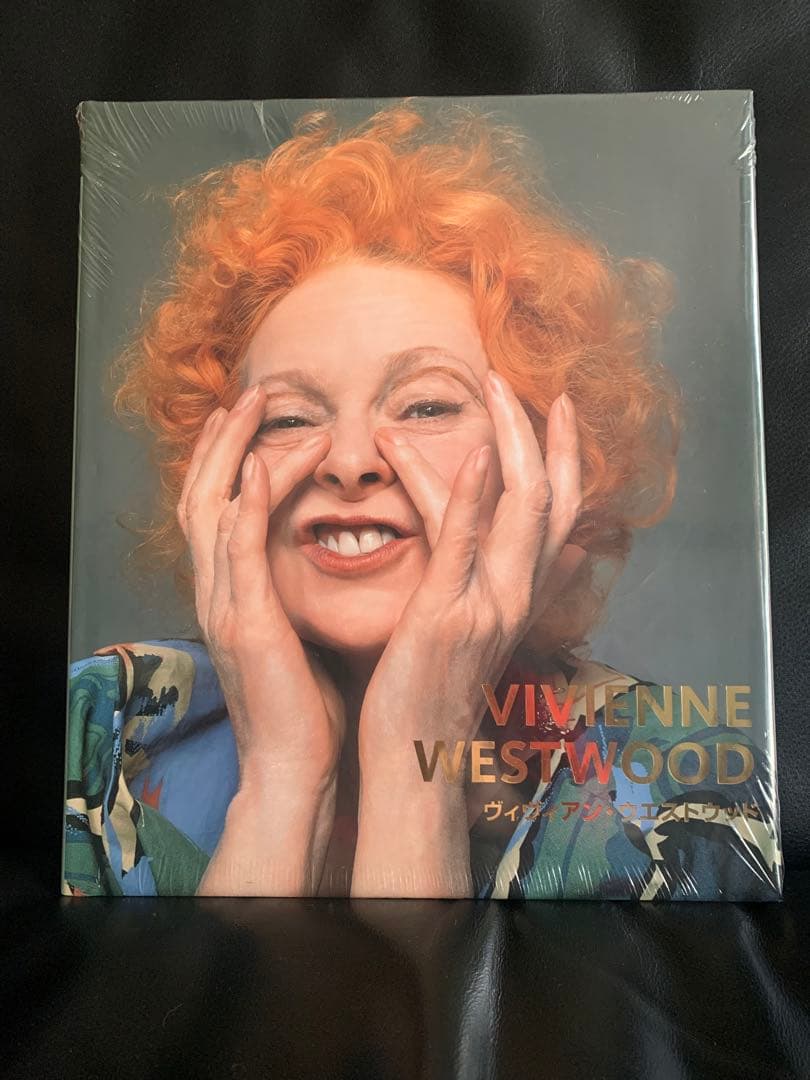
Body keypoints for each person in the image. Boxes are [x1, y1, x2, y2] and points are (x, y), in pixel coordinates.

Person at [63, 103, 781, 899]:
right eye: (289, 418)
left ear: (546, 467)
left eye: (427, 405)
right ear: (219, 475)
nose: (348, 463)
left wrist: (415, 777)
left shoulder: (686, 788)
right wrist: (282, 783)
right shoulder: (97, 736)